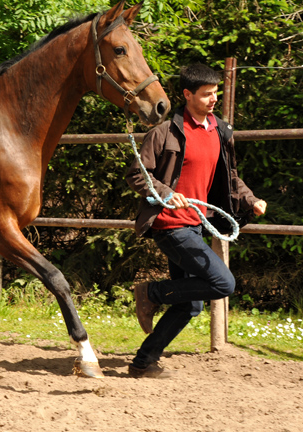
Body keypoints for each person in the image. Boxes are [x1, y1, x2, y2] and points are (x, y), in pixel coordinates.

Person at [124, 63, 267, 378]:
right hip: (168, 223)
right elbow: (137, 173)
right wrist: (163, 191)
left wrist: (250, 199)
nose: (213, 99)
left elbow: (230, 179)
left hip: (195, 224)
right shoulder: (164, 132)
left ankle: (142, 363)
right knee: (222, 283)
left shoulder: (220, 131)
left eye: (215, 92)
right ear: (187, 94)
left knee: (190, 304)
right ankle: (151, 293)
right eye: (206, 94)